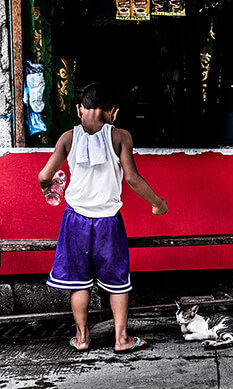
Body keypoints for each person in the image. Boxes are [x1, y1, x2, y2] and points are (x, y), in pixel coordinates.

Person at [38, 83, 168, 354]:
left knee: (78, 282)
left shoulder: (67, 138)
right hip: (108, 221)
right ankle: (121, 340)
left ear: (78, 110)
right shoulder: (121, 136)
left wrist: (48, 187)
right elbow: (132, 178)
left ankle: (82, 338)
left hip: (75, 220)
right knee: (118, 283)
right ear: (114, 112)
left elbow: (43, 176)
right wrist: (158, 203)